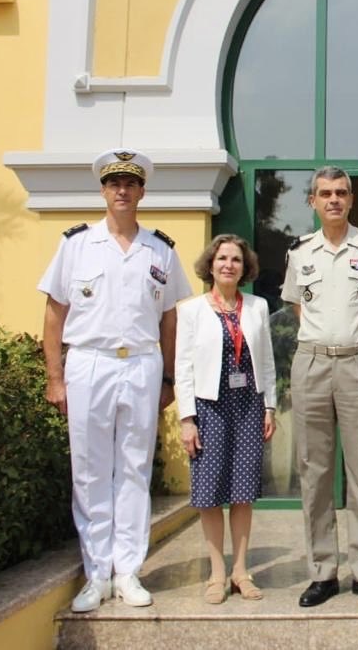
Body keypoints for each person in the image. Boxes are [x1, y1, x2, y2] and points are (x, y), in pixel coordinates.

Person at [38, 149, 192, 612]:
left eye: (130, 183)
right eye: (113, 183)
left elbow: (169, 320)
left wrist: (168, 377)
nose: (122, 190)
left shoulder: (161, 248)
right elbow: (54, 315)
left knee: (133, 468)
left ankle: (127, 571)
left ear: (142, 191)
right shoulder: (76, 244)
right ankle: (95, 573)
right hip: (89, 363)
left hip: (142, 364)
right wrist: (55, 376)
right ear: (103, 191)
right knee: (89, 470)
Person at [281, 166, 358, 607]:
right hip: (311, 364)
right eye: (324, 193)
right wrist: (325, 345)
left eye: (341, 193)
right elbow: (297, 308)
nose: (333, 199)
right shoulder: (299, 252)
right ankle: (322, 571)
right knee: (313, 472)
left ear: (351, 199)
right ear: (312, 201)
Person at [175, 235, 277, 604]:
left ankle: (240, 571)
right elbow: (183, 366)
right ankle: (217, 573)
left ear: (244, 266)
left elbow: (266, 360)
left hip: (249, 405)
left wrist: (270, 407)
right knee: (209, 494)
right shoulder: (191, 310)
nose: (228, 265)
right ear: (210, 264)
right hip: (208, 407)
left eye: (236, 259)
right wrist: (187, 418)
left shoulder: (257, 307)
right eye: (222, 258)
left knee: (243, 493)